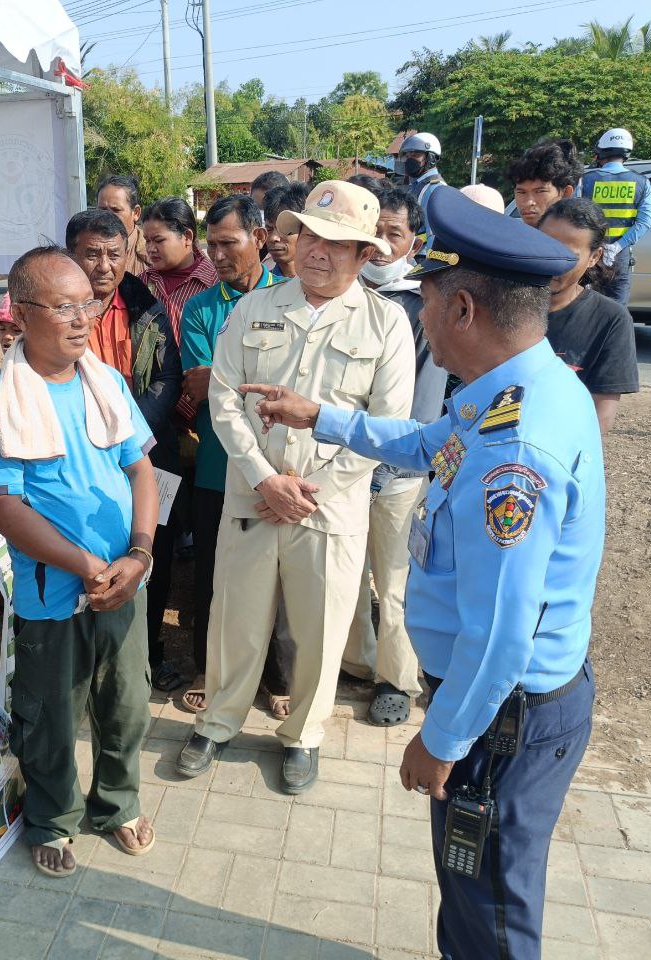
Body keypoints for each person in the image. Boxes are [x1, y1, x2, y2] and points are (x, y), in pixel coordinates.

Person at [241, 185, 603, 959]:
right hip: (502, 707)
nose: (420, 321)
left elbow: (504, 634)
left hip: (499, 718)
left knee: (491, 907)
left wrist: (441, 740)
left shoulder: (516, 449)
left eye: (427, 304)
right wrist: (323, 417)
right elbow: (427, 445)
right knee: (470, 897)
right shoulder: (512, 390)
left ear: (465, 310)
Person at [177, 182, 414, 794]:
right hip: (253, 499)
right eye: (310, 234)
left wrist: (306, 491)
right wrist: (264, 477)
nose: (319, 250)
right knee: (236, 618)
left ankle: (303, 736)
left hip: (329, 510)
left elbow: (384, 431)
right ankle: (218, 721)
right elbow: (225, 399)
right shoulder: (254, 308)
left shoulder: (387, 326)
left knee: (321, 628)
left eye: (338, 242)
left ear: (365, 255)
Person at [0, 246, 159, 879]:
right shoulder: (1, 399)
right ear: (21, 315)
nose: (82, 318)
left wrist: (139, 552)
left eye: (89, 303)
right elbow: (4, 508)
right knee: (51, 709)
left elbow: (140, 469)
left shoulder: (106, 383)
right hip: (54, 590)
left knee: (127, 702)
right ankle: (52, 817)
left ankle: (117, 803)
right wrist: (82, 563)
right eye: (63, 306)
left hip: (124, 581)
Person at [178, 194, 295, 719]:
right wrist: (257, 386)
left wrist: (235, 384)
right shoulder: (201, 308)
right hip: (216, 465)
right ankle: (209, 665)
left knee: (277, 573)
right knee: (213, 573)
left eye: (229, 243)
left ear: (260, 237)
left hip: (279, 463)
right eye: (212, 245)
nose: (219, 255)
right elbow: (204, 386)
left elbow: (289, 385)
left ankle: (276, 675)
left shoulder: (291, 299)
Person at [65, 208, 184, 692]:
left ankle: (148, 653)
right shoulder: (54, 310)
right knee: (83, 553)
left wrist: (129, 439)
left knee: (149, 550)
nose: (104, 265)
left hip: (145, 455)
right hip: (77, 460)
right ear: (71, 255)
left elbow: (168, 379)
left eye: (114, 254)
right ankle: (84, 662)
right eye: (91, 254)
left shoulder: (145, 305)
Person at [345, 186, 447, 726]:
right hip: (340, 460)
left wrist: (394, 459)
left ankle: (396, 678)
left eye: (395, 234)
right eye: (374, 233)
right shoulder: (341, 294)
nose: (382, 246)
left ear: (414, 240)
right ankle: (358, 660)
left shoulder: (422, 300)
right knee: (348, 569)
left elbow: (422, 399)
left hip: (399, 465)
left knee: (394, 577)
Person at [537, 198, 640, 433]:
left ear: (595, 257)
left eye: (568, 255)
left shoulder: (610, 320)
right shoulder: (504, 301)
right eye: (545, 247)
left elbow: (600, 417)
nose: (553, 262)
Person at [579, 127, 651, 305]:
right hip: (619, 257)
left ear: (601, 153)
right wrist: (617, 246)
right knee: (617, 310)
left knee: (585, 307)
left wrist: (597, 245)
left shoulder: (585, 180)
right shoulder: (642, 183)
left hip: (590, 254)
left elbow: (576, 218)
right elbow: (644, 223)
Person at [140, 197, 219, 341]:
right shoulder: (141, 284)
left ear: (187, 237)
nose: (151, 248)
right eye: (147, 241)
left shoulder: (216, 284)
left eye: (159, 240)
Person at [509, 138, 584, 228]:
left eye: (540, 191)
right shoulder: (507, 238)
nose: (529, 202)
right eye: (521, 192)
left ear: (566, 193)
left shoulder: (579, 239)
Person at [398, 132, 445, 253]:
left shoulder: (434, 189)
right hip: (411, 255)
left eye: (415, 155)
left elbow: (434, 233)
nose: (410, 160)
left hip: (422, 258)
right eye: (408, 156)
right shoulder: (417, 186)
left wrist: (430, 265)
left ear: (431, 158)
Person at [96, 174, 150, 276]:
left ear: (136, 213)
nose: (108, 217)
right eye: (102, 210)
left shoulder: (152, 253)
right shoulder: (85, 250)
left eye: (116, 210)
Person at [262, 182, 311, 279]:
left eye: (283, 228)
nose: (273, 238)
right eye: (269, 229)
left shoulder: (325, 284)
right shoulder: (263, 287)